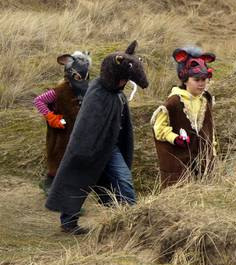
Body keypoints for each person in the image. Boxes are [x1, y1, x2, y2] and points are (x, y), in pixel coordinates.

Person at [45, 41, 148, 235]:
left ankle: (133, 222)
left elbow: (121, 124)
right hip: (89, 148)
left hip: (111, 148)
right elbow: (86, 126)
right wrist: (84, 151)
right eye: (122, 79)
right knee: (77, 180)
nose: (124, 83)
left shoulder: (118, 95)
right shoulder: (97, 92)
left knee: (124, 181)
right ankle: (68, 222)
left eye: (126, 80)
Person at [151, 46, 217, 189]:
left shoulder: (206, 99)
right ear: (185, 79)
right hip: (179, 161)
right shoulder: (173, 102)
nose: (201, 83)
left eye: (204, 79)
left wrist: (212, 151)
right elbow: (159, 128)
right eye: (197, 79)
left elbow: (210, 129)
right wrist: (175, 138)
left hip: (202, 161)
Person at [33, 51, 91, 195]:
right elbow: (38, 101)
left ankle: (55, 187)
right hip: (61, 133)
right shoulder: (58, 91)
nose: (82, 80)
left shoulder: (86, 91)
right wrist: (51, 117)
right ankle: (62, 194)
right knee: (60, 160)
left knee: (72, 162)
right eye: (78, 77)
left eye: (85, 77)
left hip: (77, 133)